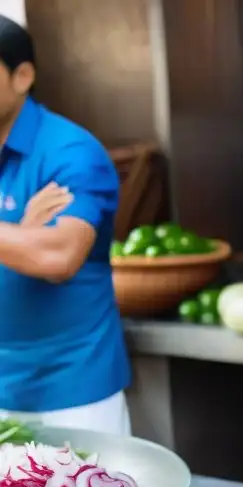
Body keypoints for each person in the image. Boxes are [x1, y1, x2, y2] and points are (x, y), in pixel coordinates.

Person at [0, 15, 130, 434]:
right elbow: (29, 248)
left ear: (22, 76)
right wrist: (18, 233)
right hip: (2, 392)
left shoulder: (70, 151)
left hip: (74, 392)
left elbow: (57, 254)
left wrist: (27, 241)